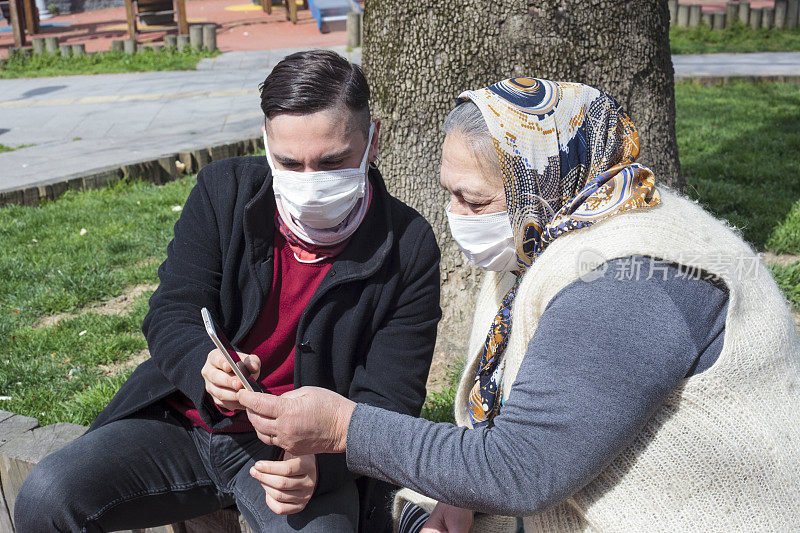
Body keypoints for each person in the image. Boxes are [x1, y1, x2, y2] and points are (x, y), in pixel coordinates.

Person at [235, 77, 800, 532]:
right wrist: (465, 497)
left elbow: (523, 468)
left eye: (473, 199)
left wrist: (342, 426)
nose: (455, 215)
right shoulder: (564, 231)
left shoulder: (623, 287)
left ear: (539, 185)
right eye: (449, 192)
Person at [13, 50, 442, 533]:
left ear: (373, 140)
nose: (310, 183)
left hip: (301, 450)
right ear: (265, 143)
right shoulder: (223, 191)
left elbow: (391, 400)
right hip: (184, 424)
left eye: (332, 162)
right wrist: (205, 365)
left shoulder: (409, 245)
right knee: (48, 495)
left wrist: (321, 467)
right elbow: (170, 311)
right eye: (288, 162)